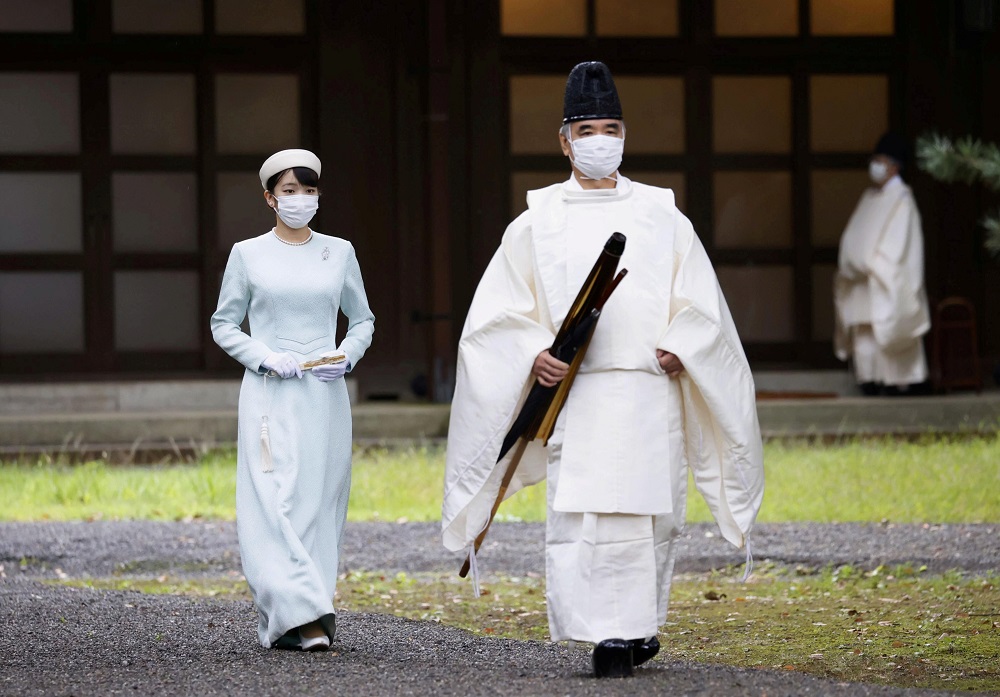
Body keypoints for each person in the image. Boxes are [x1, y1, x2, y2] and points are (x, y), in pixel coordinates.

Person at [442, 62, 764, 678]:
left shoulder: (662, 215)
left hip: (646, 388)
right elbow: (496, 317)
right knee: (582, 511)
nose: (599, 139)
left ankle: (636, 628)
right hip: (577, 395)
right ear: (565, 139)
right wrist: (532, 351)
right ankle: (603, 634)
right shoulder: (536, 221)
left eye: (609, 127)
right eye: (586, 128)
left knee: (648, 514)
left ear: (625, 134)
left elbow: (701, 304)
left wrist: (681, 344)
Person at [211, 148, 375, 651]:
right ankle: (297, 612)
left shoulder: (339, 252)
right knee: (273, 499)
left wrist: (346, 356)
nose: (300, 199)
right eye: (289, 191)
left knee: (318, 498)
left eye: (308, 190)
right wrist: (263, 356)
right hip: (270, 395)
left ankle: (306, 610)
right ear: (269, 198)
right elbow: (223, 324)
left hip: (323, 396)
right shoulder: (248, 254)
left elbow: (363, 320)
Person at [834, 133, 930, 396]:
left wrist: (870, 262)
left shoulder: (903, 201)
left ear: (894, 165)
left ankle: (900, 384)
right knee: (865, 337)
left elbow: (900, 247)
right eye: (874, 159)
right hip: (862, 283)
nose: (875, 165)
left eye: (881, 160)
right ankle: (869, 379)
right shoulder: (869, 197)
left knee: (888, 338)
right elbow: (854, 237)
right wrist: (853, 260)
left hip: (881, 280)